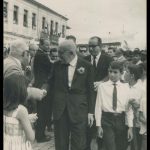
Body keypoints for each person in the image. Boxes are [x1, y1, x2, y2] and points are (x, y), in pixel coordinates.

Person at [51, 40, 94, 150]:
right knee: (60, 144)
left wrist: (90, 112)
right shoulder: (56, 65)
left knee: (79, 143)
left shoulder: (86, 66)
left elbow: (90, 90)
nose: (58, 56)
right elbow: (49, 82)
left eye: (61, 53)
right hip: (60, 110)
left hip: (79, 110)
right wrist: (43, 91)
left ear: (71, 53)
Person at [95, 61, 133, 150]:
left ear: (121, 73)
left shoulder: (126, 87)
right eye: (110, 71)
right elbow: (98, 107)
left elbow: (129, 109)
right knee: (110, 147)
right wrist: (98, 125)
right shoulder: (102, 87)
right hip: (106, 119)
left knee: (121, 147)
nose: (112, 74)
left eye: (115, 72)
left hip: (121, 120)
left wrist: (130, 127)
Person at [85, 36, 113, 150]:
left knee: (100, 122)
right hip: (88, 96)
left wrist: (101, 82)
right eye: (89, 46)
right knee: (88, 124)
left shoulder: (108, 59)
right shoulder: (85, 59)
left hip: (102, 96)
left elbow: (111, 75)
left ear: (100, 46)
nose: (91, 49)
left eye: (93, 46)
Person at [3, 73, 37, 150]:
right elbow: (31, 137)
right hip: (18, 146)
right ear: (21, 91)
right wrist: (30, 122)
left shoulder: (5, 106)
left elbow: (12, 121)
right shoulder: (21, 110)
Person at [33, 38, 53, 142]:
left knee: (41, 111)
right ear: (40, 44)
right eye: (46, 45)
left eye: (49, 45)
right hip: (43, 86)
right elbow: (51, 67)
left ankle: (40, 135)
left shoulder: (39, 54)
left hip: (39, 85)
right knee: (43, 112)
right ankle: (40, 136)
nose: (49, 47)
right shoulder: (42, 55)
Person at [124, 64, 145, 150]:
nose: (124, 73)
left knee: (135, 146)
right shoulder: (124, 86)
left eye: (127, 72)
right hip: (122, 121)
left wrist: (138, 105)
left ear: (132, 76)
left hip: (136, 124)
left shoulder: (141, 89)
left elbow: (144, 107)